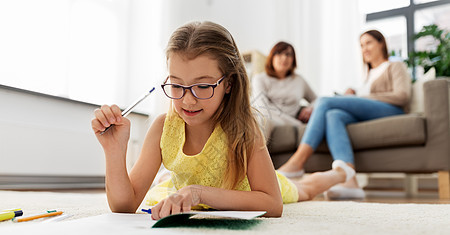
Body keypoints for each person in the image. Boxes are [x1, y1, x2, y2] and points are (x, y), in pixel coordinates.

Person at [91, 21, 355, 220]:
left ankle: (340, 172)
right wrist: (114, 150)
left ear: (228, 84)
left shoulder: (243, 127)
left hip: (249, 191)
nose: (188, 100)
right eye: (176, 85)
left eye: (203, 86)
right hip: (193, 192)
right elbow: (124, 206)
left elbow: (272, 204)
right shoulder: (162, 127)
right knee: (166, 187)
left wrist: (199, 193)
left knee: (305, 188)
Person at [277, 29, 412, 199]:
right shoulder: (368, 74)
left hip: (392, 110)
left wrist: (360, 97)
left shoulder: (394, 65)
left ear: (381, 43)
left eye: (369, 43)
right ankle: (349, 180)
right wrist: (355, 92)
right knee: (333, 115)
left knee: (325, 102)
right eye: (362, 45)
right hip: (372, 110)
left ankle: (297, 162)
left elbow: (402, 95)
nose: (365, 48)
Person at [252, 41, 317, 141]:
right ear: (271, 57)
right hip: (267, 118)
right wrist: (296, 124)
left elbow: (317, 99)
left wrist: (310, 108)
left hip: (285, 123)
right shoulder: (259, 79)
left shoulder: (299, 80)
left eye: (288, 54)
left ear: (293, 60)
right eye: (279, 53)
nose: (284, 58)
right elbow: (262, 108)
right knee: (263, 119)